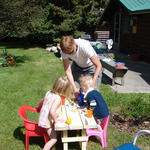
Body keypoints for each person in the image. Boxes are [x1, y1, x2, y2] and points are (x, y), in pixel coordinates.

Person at [38, 76, 73, 150]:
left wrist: (39, 107)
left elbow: (42, 100)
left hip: (43, 117)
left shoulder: (49, 92)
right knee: (54, 139)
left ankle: (58, 134)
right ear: (64, 90)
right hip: (46, 122)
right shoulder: (57, 98)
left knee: (56, 130)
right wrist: (57, 121)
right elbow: (52, 111)